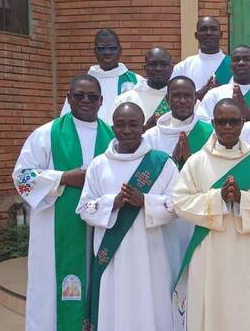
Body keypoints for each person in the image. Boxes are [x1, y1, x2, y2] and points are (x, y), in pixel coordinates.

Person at [13, 75, 114, 331]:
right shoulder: (46, 134)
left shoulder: (113, 136)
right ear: (68, 98)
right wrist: (63, 178)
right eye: (79, 95)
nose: (86, 100)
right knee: (51, 295)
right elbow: (22, 177)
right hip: (55, 233)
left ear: (101, 101)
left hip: (99, 230)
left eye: (92, 96)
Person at [172, 99, 250, 331]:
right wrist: (216, 199)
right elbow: (180, 202)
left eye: (233, 121)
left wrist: (243, 199)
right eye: (222, 122)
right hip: (210, 251)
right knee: (214, 307)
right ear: (213, 123)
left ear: (242, 123)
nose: (228, 127)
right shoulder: (197, 162)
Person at [77, 102, 180, 331]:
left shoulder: (162, 163)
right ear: (113, 128)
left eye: (133, 124)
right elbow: (84, 208)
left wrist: (145, 201)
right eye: (121, 125)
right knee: (115, 304)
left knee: (150, 303)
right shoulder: (99, 165)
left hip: (151, 255)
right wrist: (110, 204)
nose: (127, 130)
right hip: (112, 256)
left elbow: (178, 205)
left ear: (143, 127)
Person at [142, 75, 212, 329]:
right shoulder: (150, 137)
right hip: (165, 223)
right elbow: (143, 183)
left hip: (198, 222)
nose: (182, 100)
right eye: (176, 95)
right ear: (167, 99)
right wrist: (172, 165)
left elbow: (218, 176)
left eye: (188, 96)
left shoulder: (211, 132)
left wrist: (191, 162)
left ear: (196, 99)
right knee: (166, 277)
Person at [61, 29, 143, 124]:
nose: (107, 53)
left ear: (120, 50)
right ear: (95, 51)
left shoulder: (136, 81)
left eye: (112, 48)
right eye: (102, 49)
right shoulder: (82, 84)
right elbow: (67, 119)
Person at [196, 45, 250, 122]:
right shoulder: (215, 94)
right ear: (230, 67)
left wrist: (249, 116)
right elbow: (203, 123)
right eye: (236, 60)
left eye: (246, 59)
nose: (241, 63)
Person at [171, 16, 231, 100]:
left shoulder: (233, 66)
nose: (208, 33)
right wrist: (198, 96)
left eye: (213, 29)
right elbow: (172, 101)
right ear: (196, 35)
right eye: (203, 29)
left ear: (221, 34)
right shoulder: (183, 67)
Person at [114, 47, 174, 129]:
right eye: (153, 64)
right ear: (144, 68)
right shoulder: (125, 100)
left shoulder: (182, 98)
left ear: (172, 68)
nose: (158, 69)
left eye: (163, 64)